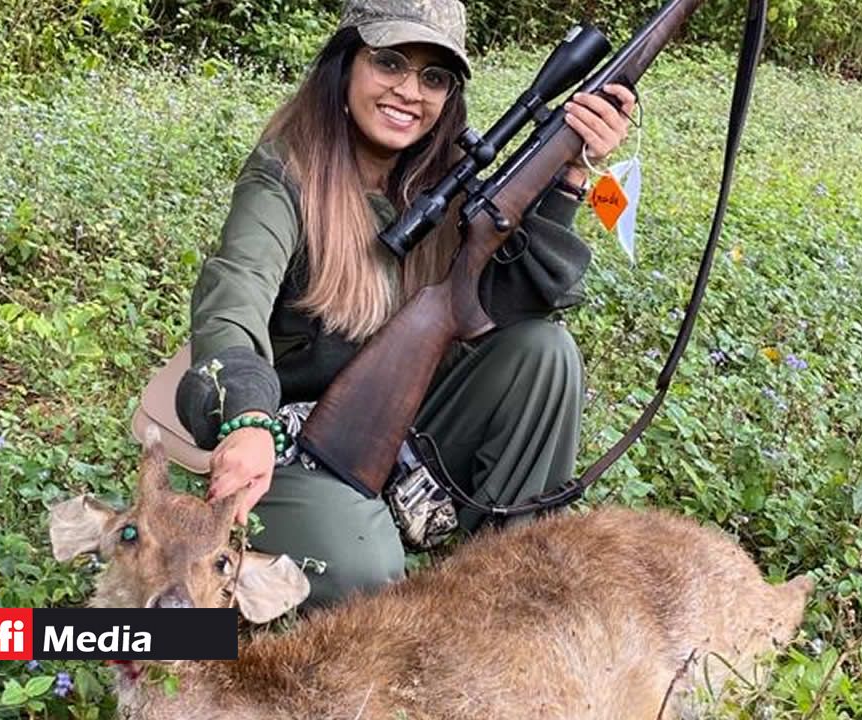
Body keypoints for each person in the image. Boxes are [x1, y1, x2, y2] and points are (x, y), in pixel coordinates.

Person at [176, 0, 636, 607]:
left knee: (543, 352)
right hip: (290, 450)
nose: (408, 91)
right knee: (367, 571)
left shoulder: (452, 184)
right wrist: (247, 423)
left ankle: (509, 586)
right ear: (345, 66)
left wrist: (573, 175)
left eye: (434, 77)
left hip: (403, 433)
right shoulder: (285, 175)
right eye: (389, 62)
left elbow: (519, 300)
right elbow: (232, 301)